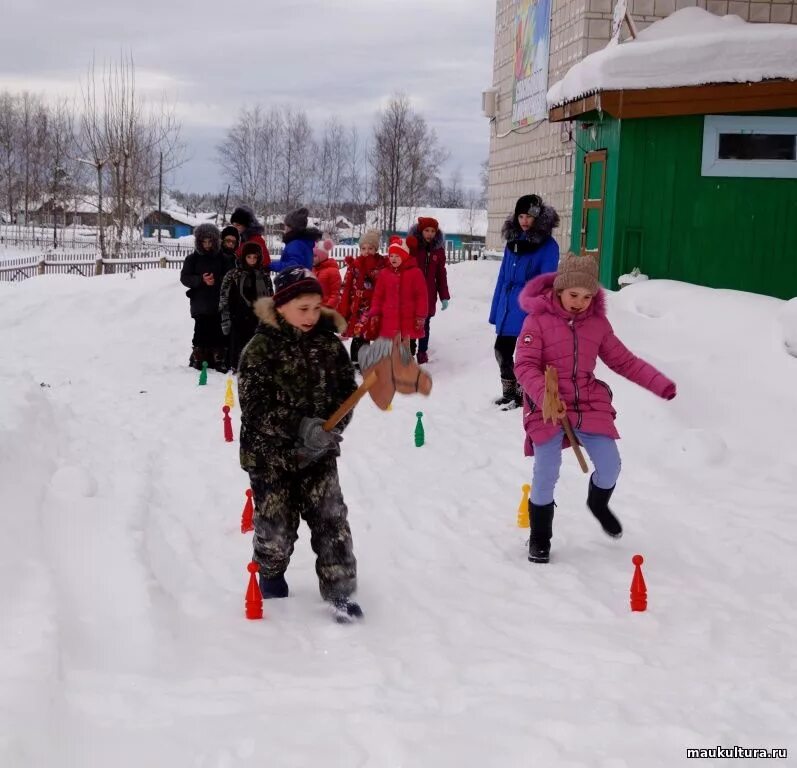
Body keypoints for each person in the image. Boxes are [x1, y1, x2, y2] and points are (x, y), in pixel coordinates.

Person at [514, 253, 677, 564]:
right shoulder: (537, 320)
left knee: (610, 464)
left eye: (588, 296)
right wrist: (543, 395)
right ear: (559, 290)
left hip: (588, 402)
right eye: (574, 295)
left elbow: (624, 361)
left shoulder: (597, 325)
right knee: (546, 470)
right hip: (546, 404)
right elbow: (524, 364)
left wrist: (660, 384)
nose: (580, 302)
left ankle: (598, 503)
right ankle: (540, 536)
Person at [238, 266, 362, 622]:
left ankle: (340, 592)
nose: (311, 316)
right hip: (271, 458)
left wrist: (332, 426)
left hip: (318, 456)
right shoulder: (260, 350)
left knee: (331, 520)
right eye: (302, 308)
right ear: (280, 306)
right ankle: (272, 571)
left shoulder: (328, 345)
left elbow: (346, 393)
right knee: (276, 529)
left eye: (316, 307)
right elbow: (255, 409)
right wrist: (300, 426)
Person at [489, 194, 560, 410]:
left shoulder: (548, 246)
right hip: (508, 306)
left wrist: (540, 311)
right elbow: (502, 277)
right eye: (521, 216)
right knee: (501, 349)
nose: (524, 221)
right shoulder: (512, 242)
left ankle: (523, 394)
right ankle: (509, 392)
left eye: (529, 216)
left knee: (525, 355)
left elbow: (546, 282)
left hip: (529, 308)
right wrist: (496, 310)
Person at [180, 223, 231, 372]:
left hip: (218, 301)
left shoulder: (223, 258)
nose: (207, 245)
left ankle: (218, 359)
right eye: (204, 241)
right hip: (200, 302)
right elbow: (185, 278)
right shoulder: (192, 259)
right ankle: (199, 358)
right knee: (200, 331)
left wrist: (217, 281)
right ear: (199, 241)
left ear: (215, 241)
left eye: (210, 241)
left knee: (218, 331)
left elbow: (230, 276)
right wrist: (200, 280)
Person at [219, 241, 274, 373]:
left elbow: (271, 297)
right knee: (238, 344)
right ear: (244, 257)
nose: (252, 260)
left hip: (258, 316)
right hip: (238, 315)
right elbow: (224, 296)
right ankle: (236, 366)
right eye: (249, 257)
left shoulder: (264, 276)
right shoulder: (233, 274)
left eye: (255, 257)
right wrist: (225, 317)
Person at [368, 236, 428, 349]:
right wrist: (375, 312)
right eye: (391, 256)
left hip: (409, 320)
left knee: (407, 350)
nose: (393, 258)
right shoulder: (384, 273)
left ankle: (407, 365)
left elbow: (421, 296)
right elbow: (378, 295)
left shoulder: (415, 273)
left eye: (397, 256)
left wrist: (420, 315)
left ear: (405, 256)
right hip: (388, 320)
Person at [338, 230, 386, 370]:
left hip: (373, 306)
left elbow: (382, 284)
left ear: (376, 249)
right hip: (357, 307)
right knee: (358, 334)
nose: (366, 251)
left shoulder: (380, 265)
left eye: (370, 248)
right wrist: (345, 301)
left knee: (369, 333)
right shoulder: (355, 265)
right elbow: (346, 283)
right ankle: (356, 361)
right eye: (363, 248)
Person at [407, 216, 450, 364]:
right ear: (421, 231)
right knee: (411, 321)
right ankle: (410, 349)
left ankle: (422, 351)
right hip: (411, 293)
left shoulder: (438, 251)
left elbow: (441, 274)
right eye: (426, 230)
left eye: (432, 231)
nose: (430, 234)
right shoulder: (413, 247)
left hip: (428, 295)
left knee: (425, 324)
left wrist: (444, 296)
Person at [269, 207, 322, 272]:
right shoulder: (304, 242)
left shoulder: (296, 244)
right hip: (302, 280)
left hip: (295, 281)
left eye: (285, 225)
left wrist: (271, 265)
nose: (284, 227)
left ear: (291, 227)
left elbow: (293, 267)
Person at [313, 238, 342, 309]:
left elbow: (335, 294)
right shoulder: (313, 270)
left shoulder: (333, 271)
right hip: (314, 309)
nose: (312, 258)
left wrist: (328, 308)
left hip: (326, 309)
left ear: (322, 256)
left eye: (315, 256)